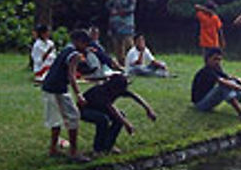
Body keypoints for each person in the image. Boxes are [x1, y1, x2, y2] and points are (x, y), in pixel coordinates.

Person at [41, 29, 93, 162]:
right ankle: (73, 152)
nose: (86, 47)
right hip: (58, 89)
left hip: (48, 86)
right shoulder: (74, 54)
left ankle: (53, 149)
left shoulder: (67, 49)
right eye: (85, 44)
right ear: (79, 42)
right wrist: (79, 95)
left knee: (56, 119)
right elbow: (71, 75)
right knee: (73, 116)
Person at [81, 74, 157, 156]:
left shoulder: (118, 89)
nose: (125, 89)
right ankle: (97, 149)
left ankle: (108, 146)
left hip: (101, 109)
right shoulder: (101, 91)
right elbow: (112, 109)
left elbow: (135, 96)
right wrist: (127, 124)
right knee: (103, 120)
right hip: (85, 110)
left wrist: (148, 109)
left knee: (119, 118)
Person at [191, 48, 241, 122]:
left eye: (219, 60)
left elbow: (231, 78)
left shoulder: (216, 69)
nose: (217, 62)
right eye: (215, 59)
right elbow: (222, 82)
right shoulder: (206, 71)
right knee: (224, 86)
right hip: (200, 104)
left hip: (207, 99)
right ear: (207, 59)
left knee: (231, 82)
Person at [106, 0, 136, 64]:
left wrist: (119, 12)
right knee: (118, 47)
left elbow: (131, 9)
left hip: (126, 25)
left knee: (129, 45)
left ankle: (133, 62)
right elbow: (108, 6)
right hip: (115, 25)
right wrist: (112, 11)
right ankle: (121, 64)